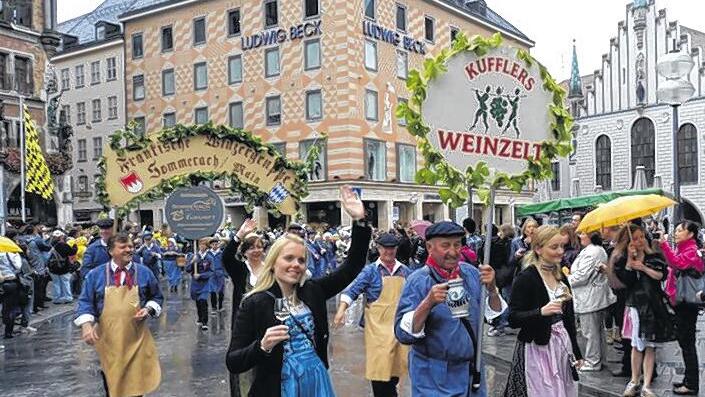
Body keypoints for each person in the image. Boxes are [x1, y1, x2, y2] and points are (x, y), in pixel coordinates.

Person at [226, 185, 370, 397]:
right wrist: (262, 346)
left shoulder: (313, 291)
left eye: (301, 260)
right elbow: (234, 361)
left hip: (315, 380)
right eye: (289, 258)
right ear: (273, 262)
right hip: (277, 385)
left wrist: (360, 220)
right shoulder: (255, 302)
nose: (296, 265)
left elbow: (352, 266)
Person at [394, 221, 506, 397]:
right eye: (445, 245)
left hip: (472, 373)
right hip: (433, 378)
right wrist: (428, 303)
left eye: (457, 244)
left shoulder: (471, 273)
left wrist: (492, 289)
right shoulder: (418, 280)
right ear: (429, 247)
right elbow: (403, 334)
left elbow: (495, 314)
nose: (453, 252)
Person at [75, 233, 163, 397]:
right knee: (112, 382)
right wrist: (86, 326)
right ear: (111, 251)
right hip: (108, 340)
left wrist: (149, 309)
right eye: (123, 247)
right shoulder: (95, 275)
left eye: (130, 246)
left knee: (135, 384)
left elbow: (157, 296)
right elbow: (86, 301)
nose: (129, 250)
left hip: (136, 339)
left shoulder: (144, 272)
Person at [503, 225, 583, 397]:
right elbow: (513, 318)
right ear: (538, 249)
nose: (560, 251)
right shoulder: (527, 278)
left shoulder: (560, 278)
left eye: (561, 246)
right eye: (554, 247)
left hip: (562, 346)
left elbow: (569, 319)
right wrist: (540, 312)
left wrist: (576, 352)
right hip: (537, 348)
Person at [334, 232, 412, 397]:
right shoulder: (370, 271)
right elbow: (352, 290)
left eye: (392, 249)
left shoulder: (405, 271)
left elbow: (416, 293)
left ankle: (391, 390)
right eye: (385, 249)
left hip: (398, 326)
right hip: (377, 328)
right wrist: (341, 310)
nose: (388, 252)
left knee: (395, 368)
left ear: (396, 249)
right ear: (378, 248)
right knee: (379, 369)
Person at [613, 224, 675, 397]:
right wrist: (629, 263)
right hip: (635, 305)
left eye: (642, 237)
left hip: (653, 304)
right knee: (637, 344)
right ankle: (634, 380)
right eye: (635, 238)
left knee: (650, 346)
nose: (639, 241)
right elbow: (626, 282)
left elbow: (660, 276)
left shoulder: (653, 256)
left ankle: (647, 384)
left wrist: (643, 267)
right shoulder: (624, 258)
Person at [658, 220, 703, 396]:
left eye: (679, 230)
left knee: (687, 343)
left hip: (687, 304)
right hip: (681, 302)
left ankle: (691, 384)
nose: (676, 233)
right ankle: (688, 380)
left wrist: (663, 245)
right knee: (685, 342)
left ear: (690, 234)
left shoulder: (691, 251)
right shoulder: (685, 249)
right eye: (675, 230)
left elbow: (676, 263)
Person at [222, 219, 265, 397]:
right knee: (245, 363)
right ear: (245, 251)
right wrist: (239, 235)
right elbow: (225, 258)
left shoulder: (270, 270)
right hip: (244, 326)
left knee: (265, 364)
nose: (256, 251)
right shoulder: (240, 270)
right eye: (251, 247)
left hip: (266, 324)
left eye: (259, 246)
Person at [568, 231, 615, 372]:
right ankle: (599, 359)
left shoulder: (593, 252)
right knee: (596, 331)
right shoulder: (594, 250)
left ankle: (593, 361)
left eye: (583, 233)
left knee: (590, 332)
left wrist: (564, 280)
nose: (580, 236)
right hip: (592, 296)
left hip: (590, 297)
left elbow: (582, 276)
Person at [186, 238, 214, 331]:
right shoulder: (194, 256)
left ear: (206, 246)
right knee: (198, 302)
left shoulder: (209, 258)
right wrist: (192, 262)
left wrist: (201, 275)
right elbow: (187, 269)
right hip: (195, 284)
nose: (201, 246)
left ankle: (205, 322)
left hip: (204, 284)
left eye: (203, 245)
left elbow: (211, 272)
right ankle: (200, 318)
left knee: (203, 301)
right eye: (200, 245)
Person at [208, 237, 226, 313]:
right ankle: (214, 307)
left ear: (218, 245)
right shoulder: (208, 254)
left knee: (221, 290)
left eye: (216, 244)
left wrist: (226, 274)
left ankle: (220, 306)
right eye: (213, 244)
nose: (215, 246)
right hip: (211, 274)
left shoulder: (221, 253)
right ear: (211, 245)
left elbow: (225, 264)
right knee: (212, 290)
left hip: (220, 273)